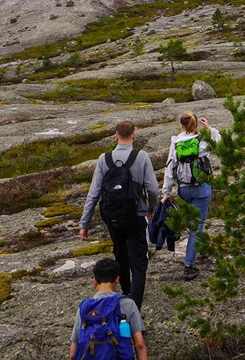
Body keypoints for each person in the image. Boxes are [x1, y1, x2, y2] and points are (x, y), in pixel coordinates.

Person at [78, 120, 159, 311]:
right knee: (139, 261)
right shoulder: (141, 157)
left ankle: (126, 291)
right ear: (133, 135)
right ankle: (134, 307)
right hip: (136, 216)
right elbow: (153, 189)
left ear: (115, 136)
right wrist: (151, 209)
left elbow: (94, 193)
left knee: (121, 254)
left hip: (113, 218)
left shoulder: (103, 159)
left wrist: (84, 223)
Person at [162, 112, 221, 281]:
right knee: (197, 225)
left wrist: (166, 192)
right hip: (201, 189)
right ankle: (188, 265)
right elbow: (222, 144)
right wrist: (209, 128)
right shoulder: (202, 140)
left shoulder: (176, 142)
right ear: (196, 124)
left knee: (192, 223)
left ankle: (200, 250)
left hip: (183, 189)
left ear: (181, 125)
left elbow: (169, 169)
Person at [70, 258, 148, 360]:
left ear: (94, 282)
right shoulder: (128, 304)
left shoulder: (84, 308)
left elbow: (73, 353)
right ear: (117, 280)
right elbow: (140, 344)